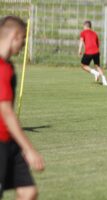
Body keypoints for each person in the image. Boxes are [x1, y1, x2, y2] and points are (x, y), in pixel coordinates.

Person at [0, 16, 45, 199]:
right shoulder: (1, 68)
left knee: (28, 191)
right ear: (15, 36)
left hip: (9, 141)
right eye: (23, 39)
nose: (24, 44)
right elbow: (6, 111)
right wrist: (29, 148)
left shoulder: (8, 66)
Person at [78, 20, 107, 86]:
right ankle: (104, 79)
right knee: (97, 66)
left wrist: (79, 50)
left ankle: (95, 73)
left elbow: (81, 41)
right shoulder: (94, 33)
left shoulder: (83, 32)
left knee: (83, 65)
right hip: (96, 51)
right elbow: (98, 44)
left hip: (89, 51)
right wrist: (97, 51)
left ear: (85, 26)